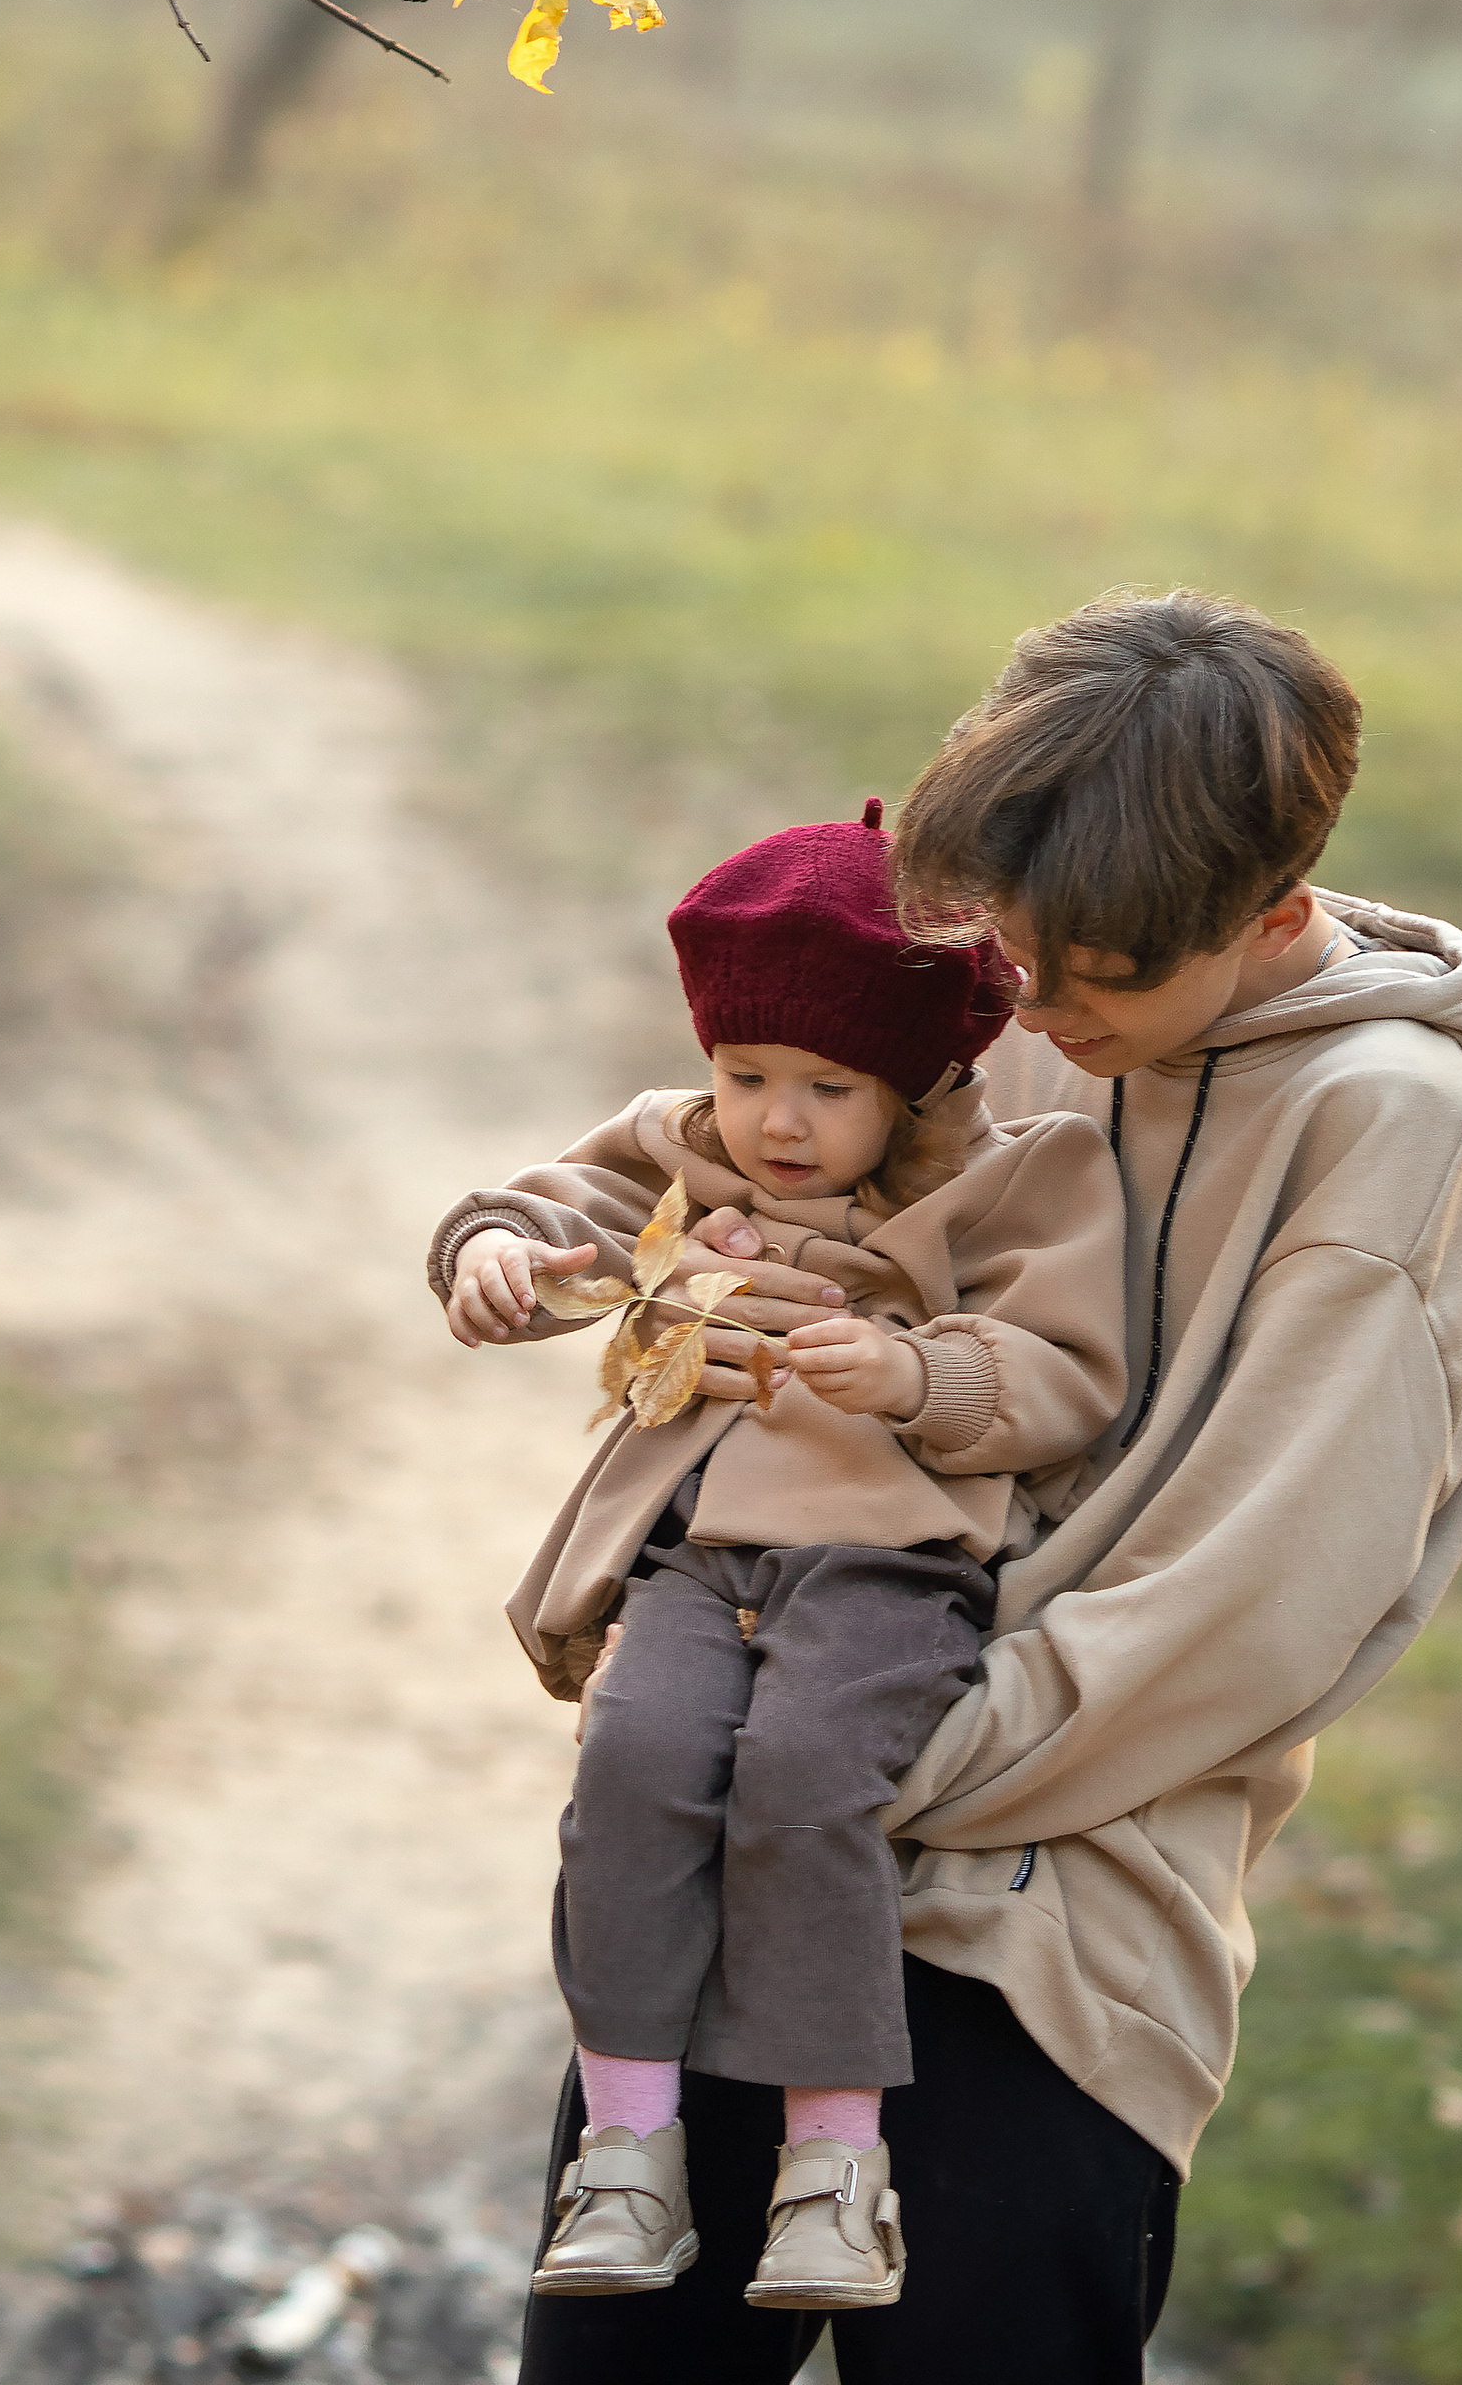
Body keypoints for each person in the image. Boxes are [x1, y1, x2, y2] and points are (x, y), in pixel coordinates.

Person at [503, 587, 1462, 2385]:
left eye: (1099, 980)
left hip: (1052, 1935)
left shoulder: (1384, 1120)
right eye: (1015, 953)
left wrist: (873, 1764)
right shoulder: (1039, 985)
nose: (1038, 1011)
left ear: (1275, 914)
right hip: (779, 1845)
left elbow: (1264, 1596)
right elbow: (741, 1156)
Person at [429, 801, 1127, 2320]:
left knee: (810, 1783)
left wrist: (917, 1377)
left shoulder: (1013, 1183)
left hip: (888, 1572)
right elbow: (561, 1208)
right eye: (748, 1077)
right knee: (632, 1765)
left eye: (827, 1087)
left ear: (918, 1082)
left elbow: (1072, 1371)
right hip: (700, 1563)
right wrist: (494, 1247)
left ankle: (834, 2170)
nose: (778, 1122)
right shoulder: (686, 1148)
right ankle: (628, 2155)